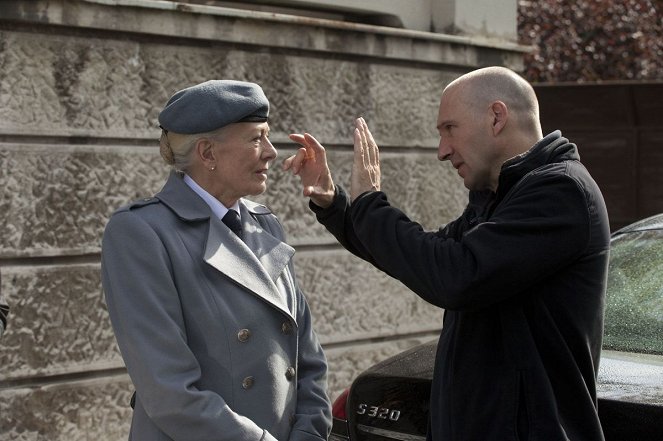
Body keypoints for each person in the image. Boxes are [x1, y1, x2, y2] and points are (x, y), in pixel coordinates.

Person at [284, 66, 610, 441]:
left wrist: (370, 202)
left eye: (449, 129)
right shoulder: (502, 198)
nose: (442, 151)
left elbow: (454, 276)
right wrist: (337, 205)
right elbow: (423, 257)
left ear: (496, 117)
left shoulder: (560, 191)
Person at [101, 80, 331, 441]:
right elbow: (169, 391)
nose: (271, 152)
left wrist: (310, 433)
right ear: (207, 153)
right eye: (256, 138)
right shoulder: (141, 233)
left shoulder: (265, 224)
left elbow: (309, 361)